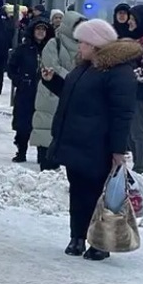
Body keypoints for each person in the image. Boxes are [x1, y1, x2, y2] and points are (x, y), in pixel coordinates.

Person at [41, 19, 141, 261]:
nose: (79, 46)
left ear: (96, 45)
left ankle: (100, 243)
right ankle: (77, 237)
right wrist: (52, 80)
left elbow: (122, 114)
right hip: (76, 141)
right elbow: (72, 95)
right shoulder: (85, 67)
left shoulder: (119, 72)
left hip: (99, 145)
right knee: (78, 191)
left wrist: (118, 150)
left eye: (83, 42)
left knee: (99, 196)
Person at [30, 10, 87, 171]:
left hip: (72, 94)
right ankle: (46, 164)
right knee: (46, 127)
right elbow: (51, 66)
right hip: (51, 92)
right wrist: (74, 78)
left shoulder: (85, 47)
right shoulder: (54, 43)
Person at [8, 19, 55, 162]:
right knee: (23, 123)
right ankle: (21, 151)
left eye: (43, 30)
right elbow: (11, 67)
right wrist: (19, 81)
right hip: (26, 92)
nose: (41, 32)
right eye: (38, 29)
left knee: (43, 124)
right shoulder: (23, 49)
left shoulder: (51, 50)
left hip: (45, 92)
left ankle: (43, 154)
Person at [126, 4, 143, 173]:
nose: (129, 21)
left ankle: (141, 167)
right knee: (133, 129)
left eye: (133, 18)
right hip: (135, 91)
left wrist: (127, 74)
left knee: (139, 130)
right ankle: (138, 163)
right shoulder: (138, 40)